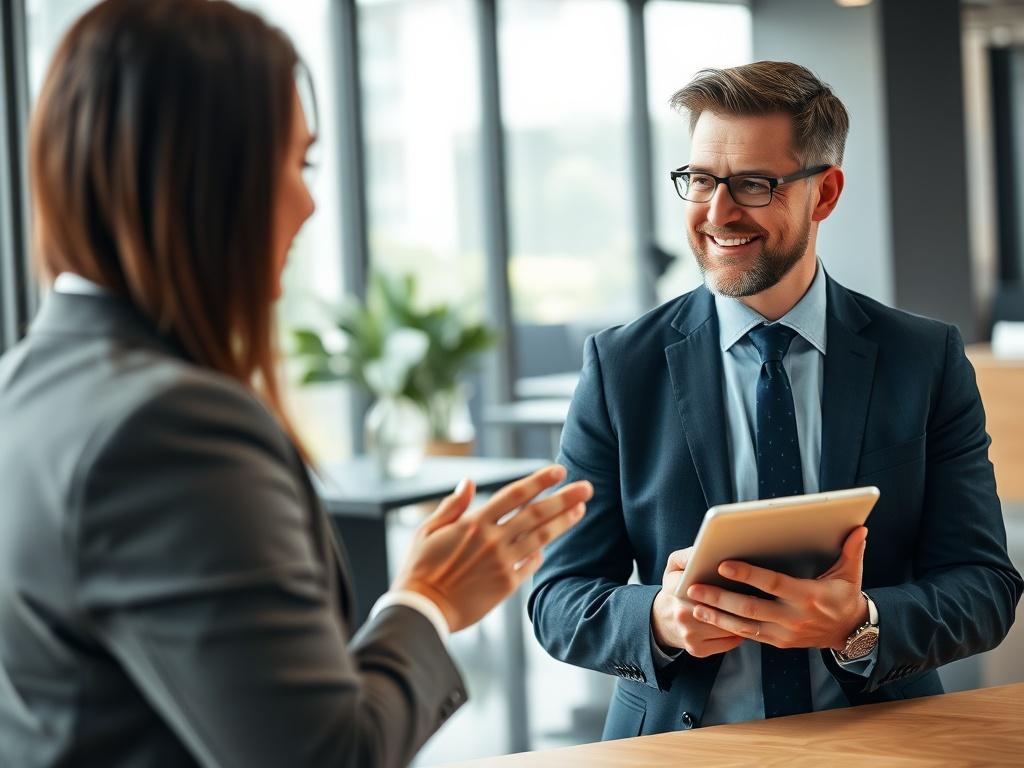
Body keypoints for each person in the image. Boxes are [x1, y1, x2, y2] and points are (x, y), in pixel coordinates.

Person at [0, 1, 593, 766]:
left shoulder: (28, 385)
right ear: (204, 178)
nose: (310, 204)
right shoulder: (170, 430)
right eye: (297, 163)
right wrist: (428, 601)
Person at [528, 61, 1023, 738]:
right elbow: (558, 598)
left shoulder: (923, 359)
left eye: (753, 184)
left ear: (825, 194)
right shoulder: (621, 367)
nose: (718, 213)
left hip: (884, 740)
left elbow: (986, 587)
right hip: (679, 748)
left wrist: (860, 624)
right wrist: (660, 621)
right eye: (700, 180)